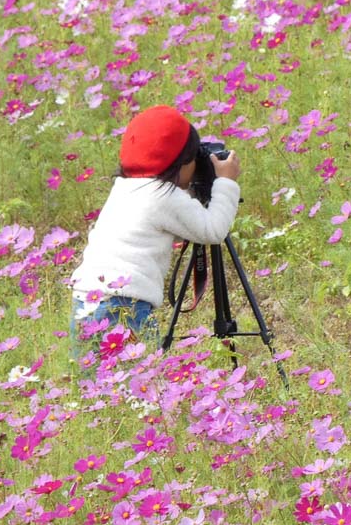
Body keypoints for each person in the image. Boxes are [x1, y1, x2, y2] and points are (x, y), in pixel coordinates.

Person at [69, 105, 241, 353]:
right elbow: (213, 230)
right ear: (182, 163)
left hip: (86, 300)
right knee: (138, 377)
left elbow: (175, 218)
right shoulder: (164, 195)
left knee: (98, 384)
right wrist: (225, 182)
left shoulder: (126, 186)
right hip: (123, 303)